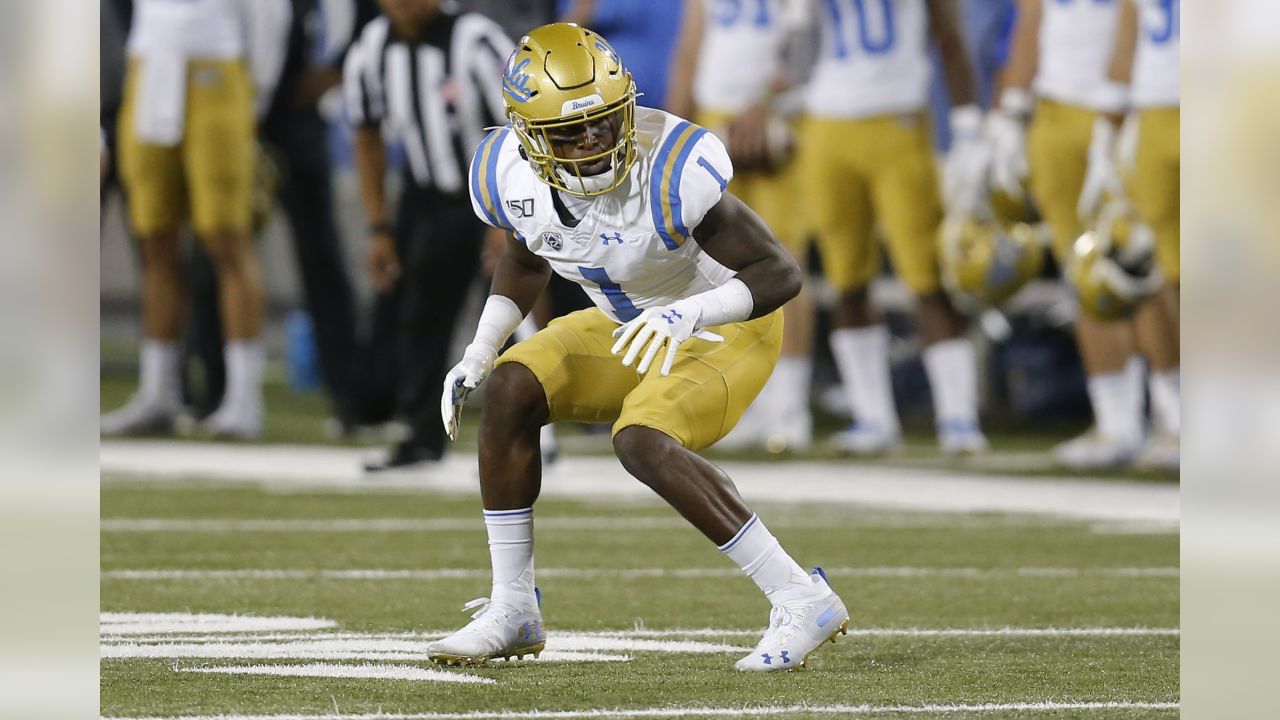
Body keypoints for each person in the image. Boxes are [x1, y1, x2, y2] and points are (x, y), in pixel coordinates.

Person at [428, 23, 849, 672]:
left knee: (641, 438)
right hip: (639, 324)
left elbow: (779, 275)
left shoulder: (674, 170)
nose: (594, 142)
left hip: (730, 324)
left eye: (604, 121)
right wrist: (481, 350)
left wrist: (692, 311)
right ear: (528, 139)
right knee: (512, 387)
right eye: (570, 132)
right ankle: (513, 607)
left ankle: (801, 597)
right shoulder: (511, 176)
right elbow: (525, 256)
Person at [988, 0, 1180, 468]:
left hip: (1123, 105)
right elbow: (1031, 20)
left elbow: (1134, 26)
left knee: (1141, 268)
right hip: (1055, 105)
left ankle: (1174, 416)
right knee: (1085, 270)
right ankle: (1115, 421)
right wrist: (1010, 111)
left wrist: (1117, 119)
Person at [799, 0, 991, 456]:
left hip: (898, 118)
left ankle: (958, 416)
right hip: (826, 120)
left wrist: (967, 126)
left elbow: (948, 31)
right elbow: (793, 36)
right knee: (846, 279)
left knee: (927, 275)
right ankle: (874, 418)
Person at [101, 0, 291, 439]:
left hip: (218, 67)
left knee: (227, 240)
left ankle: (244, 397)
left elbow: (269, 14)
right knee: (153, 239)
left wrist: (254, 88)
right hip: (149, 65)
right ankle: (158, 390)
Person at [343, 0, 514, 471]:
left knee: (515, 314)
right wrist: (378, 226)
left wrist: (508, 217)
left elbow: (523, 126)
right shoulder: (373, 46)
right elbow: (366, 134)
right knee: (420, 314)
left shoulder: (477, 40)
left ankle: (539, 429)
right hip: (429, 196)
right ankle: (423, 434)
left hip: (498, 191)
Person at [668, 0, 816, 452]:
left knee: (783, 262)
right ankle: (742, 402)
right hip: (715, 122)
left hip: (780, 121)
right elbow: (691, 50)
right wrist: (669, 135)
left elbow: (806, 45)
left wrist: (764, 106)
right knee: (712, 272)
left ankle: (788, 409)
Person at [1097, 0, 1180, 468]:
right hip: (1152, 111)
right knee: (1164, 275)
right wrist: (1105, 133)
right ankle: (1182, 416)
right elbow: (1129, 34)